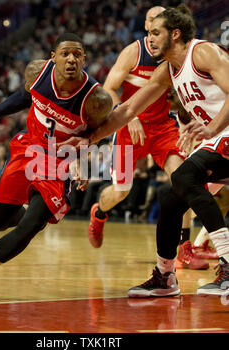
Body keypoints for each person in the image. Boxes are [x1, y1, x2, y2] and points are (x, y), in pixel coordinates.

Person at [58, 5, 229, 296]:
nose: (149, 38)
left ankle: (226, 263)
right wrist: (91, 137)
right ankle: (165, 275)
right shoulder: (166, 70)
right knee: (170, 195)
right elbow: (127, 109)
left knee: (184, 178)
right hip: (212, 139)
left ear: (175, 34)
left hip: (219, 135)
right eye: (147, 33)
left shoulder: (202, 52)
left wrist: (211, 128)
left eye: (155, 33)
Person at [0, 33, 113, 303]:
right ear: (53, 57)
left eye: (78, 54)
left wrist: (83, 163)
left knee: (28, 228)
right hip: (27, 151)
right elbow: (24, 98)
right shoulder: (37, 72)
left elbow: (95, 133)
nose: (71, 59)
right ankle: (31, 217)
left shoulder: (97, 99)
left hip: (59, 164)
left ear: (84, 58)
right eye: (65, 53)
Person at [87, 6, 208, 270]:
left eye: (160, 26)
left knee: (183, 179)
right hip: (130, 128)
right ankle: (99, 212)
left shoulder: (174, 56)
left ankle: (183, 248)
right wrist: (130, 118)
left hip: (163, 127)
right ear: (146, 26)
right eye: (152, 25)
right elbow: (107, 90)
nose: (155, 33)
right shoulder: (133, 51)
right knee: (121, 191)